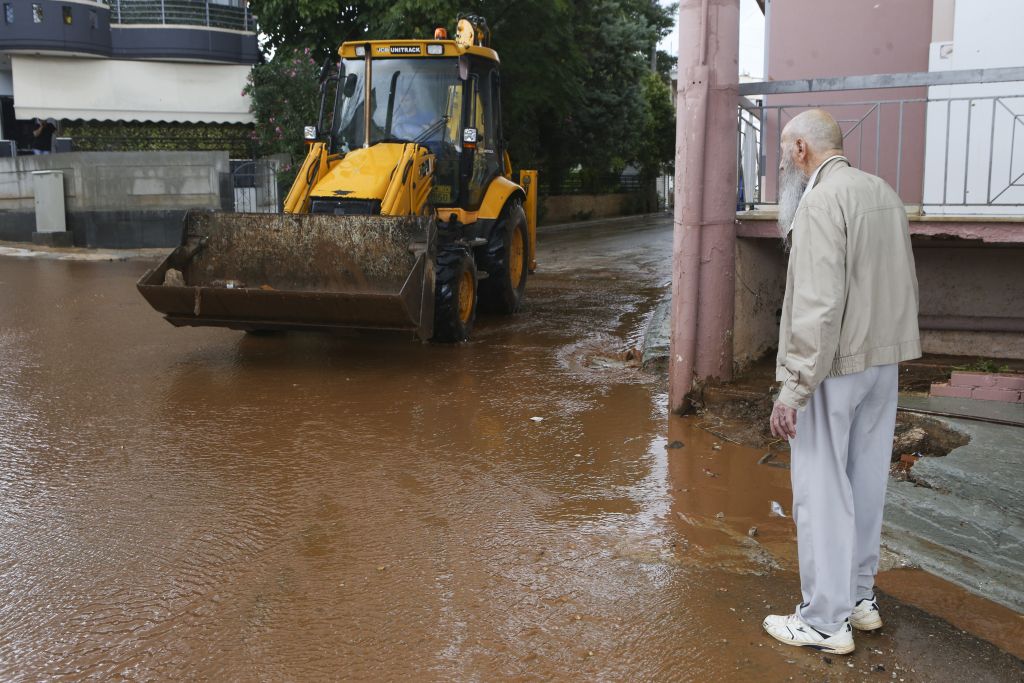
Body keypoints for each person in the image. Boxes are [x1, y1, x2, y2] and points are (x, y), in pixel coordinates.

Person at [762, 109, 921, 655]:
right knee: (865, 482)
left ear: (802, 148)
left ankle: (825, 621)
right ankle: (859, 598)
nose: (783, 160)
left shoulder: (820, 200)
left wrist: (793, 387)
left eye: (785, 150)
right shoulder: (881, 192)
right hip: (883, 363)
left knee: (822, 490)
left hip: (835, 364)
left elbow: (816, 303)